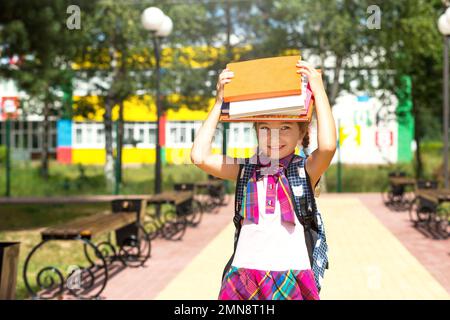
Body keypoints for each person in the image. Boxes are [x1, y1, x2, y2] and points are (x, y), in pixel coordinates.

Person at [190, 59, 336, 300]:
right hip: (244, 273)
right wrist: (219, 103)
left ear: (302, 133)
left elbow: (328, 146)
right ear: (256, 131)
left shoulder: (305, 170)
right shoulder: (244, 169)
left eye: (286, 127)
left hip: (290, 273)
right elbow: (199, 156)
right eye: (265, 127)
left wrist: (318, 88)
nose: (274, 136)